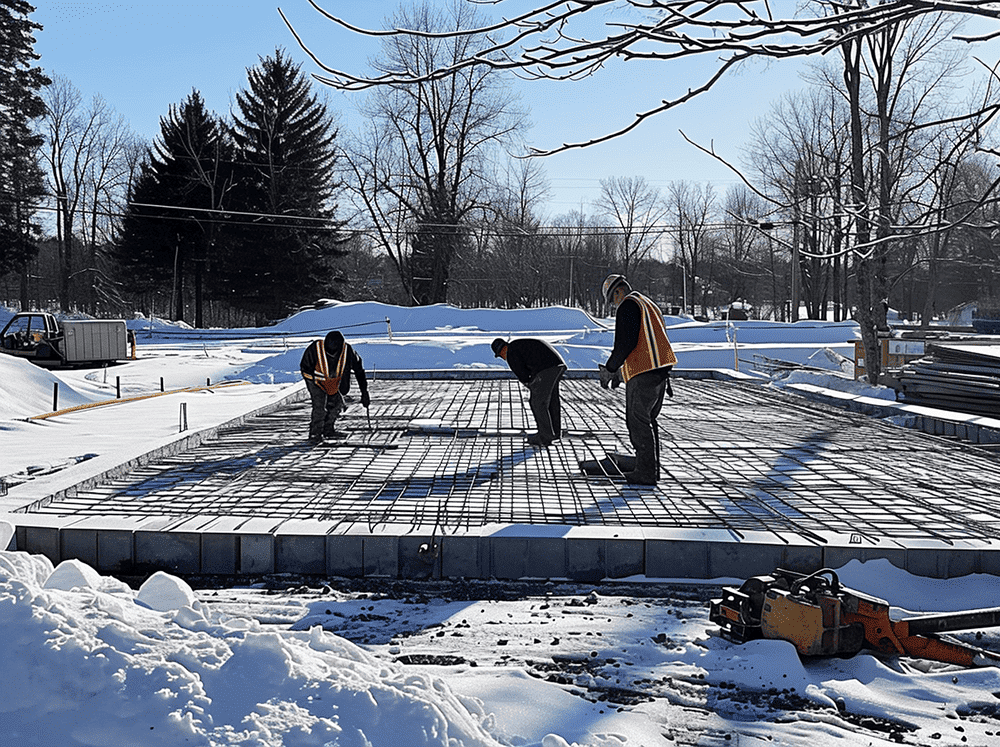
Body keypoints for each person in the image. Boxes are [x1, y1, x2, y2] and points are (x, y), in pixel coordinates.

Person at [599, 274, 677, 485]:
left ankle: (645, 473)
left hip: (644, 372)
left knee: (637, 421)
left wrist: (610, 368)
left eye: (612, 300)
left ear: (618, 291)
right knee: (648, 421)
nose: (614, 305)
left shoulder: (628, 305)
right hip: (660, 372)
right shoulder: (647, 303)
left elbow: (626, 343)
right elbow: (644, 340)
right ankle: (650, 469)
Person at [492, 337, 567, 447]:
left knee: (537, 402)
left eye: (501, 355)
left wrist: (532, 385)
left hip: (546, 369)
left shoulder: (511, 352)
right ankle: (555, 433)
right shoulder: (517, 346)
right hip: (557, 365)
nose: (503, 358)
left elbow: (522, 374)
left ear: (502, 350)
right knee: (551, 401)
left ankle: (545, 436)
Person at [299, 330, 370, 444]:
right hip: (315, 381)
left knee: (337, 404)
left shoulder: (347, 351)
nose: (333, 354)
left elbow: (359, 371)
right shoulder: (315, 349)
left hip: (332, 382)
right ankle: (315, 433)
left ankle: (328, 429)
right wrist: (315, 383)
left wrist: (364, 392)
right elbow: (305, 368)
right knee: (320, 406)